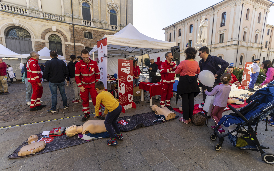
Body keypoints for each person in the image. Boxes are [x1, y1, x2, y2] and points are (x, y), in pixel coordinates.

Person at [175, 47, 200, 124]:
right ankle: (190, 117)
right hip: (193, 82)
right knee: (191, 100)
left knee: (185, 101)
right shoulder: (196, 63)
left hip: (184, 82)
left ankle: (186, 119)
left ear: (186, 54)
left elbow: (177, 71)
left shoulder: (183, 62)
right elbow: (198, 71)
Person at [94, 81, 123, 146]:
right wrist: (105, 113)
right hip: (119, 107)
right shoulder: (107, 92)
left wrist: (97, 114)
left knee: (107, 123)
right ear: (104, 88)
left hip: (113, 109)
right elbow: (108, 105)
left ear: (97, 89)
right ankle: (119, 135)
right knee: (113, 121)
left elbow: (97, 106)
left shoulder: (99, 96)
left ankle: (113, 139)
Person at [75, 49, 100, 121]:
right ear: (81, 56)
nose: (85, 59)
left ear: (89, 55)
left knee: (96, 99)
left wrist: (96, 84)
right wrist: (80, 86)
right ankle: (86, 114)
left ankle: (98, 113)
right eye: (84, 57)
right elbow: (77, 76)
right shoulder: (78, 64)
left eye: (87, 57)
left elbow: (97, 74)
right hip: (84, 85)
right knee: (85, 100)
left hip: (93, 85)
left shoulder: (94, 63)